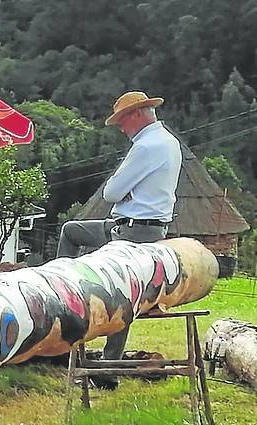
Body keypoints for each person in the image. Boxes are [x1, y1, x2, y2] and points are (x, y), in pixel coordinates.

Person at [55, 91, 181, 388]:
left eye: (123, 121)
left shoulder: (147, 146)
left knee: (124, 294)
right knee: (72, 230)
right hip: (135, 225)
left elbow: (111, 192)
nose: (122, 128)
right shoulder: (167, 141)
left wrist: (122, 191)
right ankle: (65, 301)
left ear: (136, 115)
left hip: (134, 231)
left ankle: (106, 368)